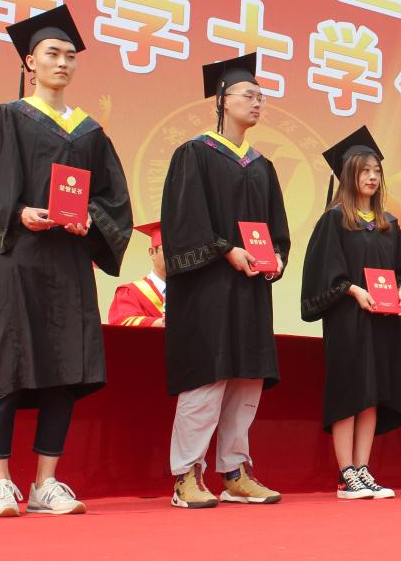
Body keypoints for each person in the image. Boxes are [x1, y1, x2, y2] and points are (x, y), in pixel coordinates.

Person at [0, 5, 133, 517]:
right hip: (17, 259)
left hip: (68, 264)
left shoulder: (89, 132)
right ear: (30, 63)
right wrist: (18, 212)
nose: (62, 62)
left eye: (70, 56)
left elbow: (112, 200)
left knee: (65, 366)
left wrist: (89, 221)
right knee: (8, 363)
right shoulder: (5, 119)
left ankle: (46, 482)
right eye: (52, 54)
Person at [161, 53, 291, 508]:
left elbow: (277, 228)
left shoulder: (262, 166)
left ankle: (235, 471)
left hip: (250, 288)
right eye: (248, 95)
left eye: (261, 97)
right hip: (209, 288)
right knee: (208, 377)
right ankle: (186, 474)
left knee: (247, 378)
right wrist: (225, 250)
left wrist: (276, 256)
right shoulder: (194, 154)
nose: (257, 103)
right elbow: (183, 221)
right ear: (222, 99)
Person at [301, 126, 401, 500]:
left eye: (377, 171)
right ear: (349, 175)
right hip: (349, 321)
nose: (372, 177)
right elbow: (322, 273)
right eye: (364, 171)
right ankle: (345, 472)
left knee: (372, 394)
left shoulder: (388, 224)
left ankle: (363, 468)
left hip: (383, 321)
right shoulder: (334, 220)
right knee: (349, 394)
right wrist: (352, 290)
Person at [107, 221, 165, 327]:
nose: (174, 254)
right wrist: (162, 323)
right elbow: (122, 324)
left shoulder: (191, 291)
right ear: (152, 252)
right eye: (167, 248)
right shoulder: (131, 293)